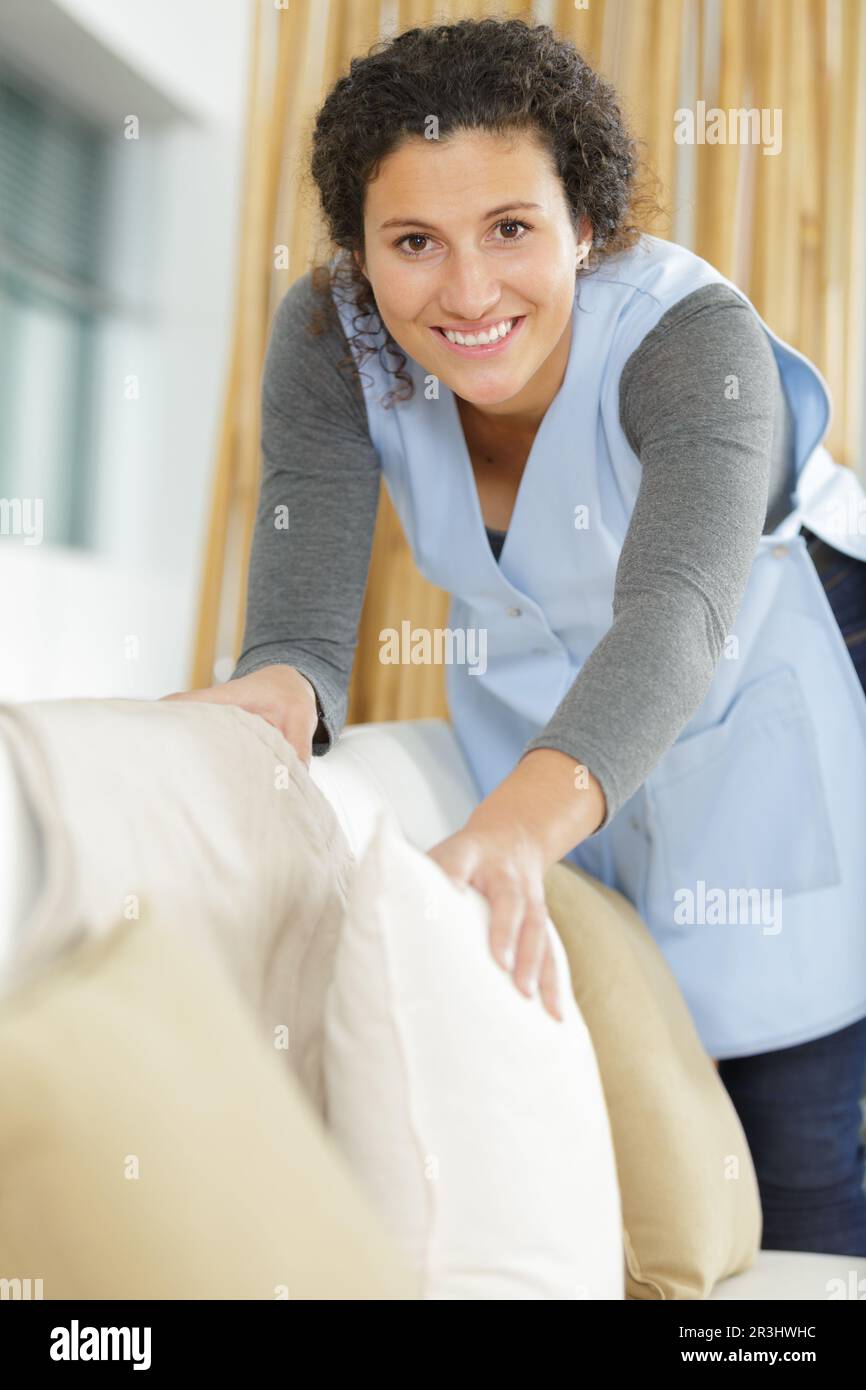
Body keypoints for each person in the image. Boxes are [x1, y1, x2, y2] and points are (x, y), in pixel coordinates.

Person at [164, 18, 866, 1255]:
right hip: (557, 699)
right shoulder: (333, 342)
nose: (469, 291)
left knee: (785, 1126)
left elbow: (677, 612)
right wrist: (263, 702)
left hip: (767, 658)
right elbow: (300, 628)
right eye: (413, 243)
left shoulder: (685, 342)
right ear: (361, 252)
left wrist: (509, 832)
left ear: (584, 225)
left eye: (509, 229)